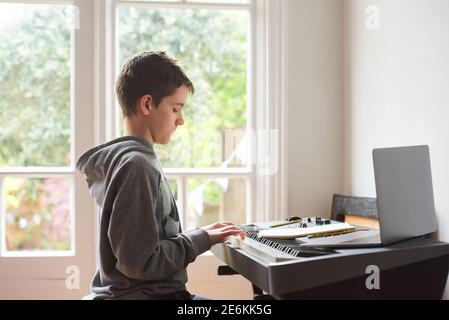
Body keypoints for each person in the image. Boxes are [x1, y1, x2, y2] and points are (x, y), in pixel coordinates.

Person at [76, 51, 245, 300]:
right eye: (176, 108)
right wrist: (201, 239)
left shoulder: (134, 160)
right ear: (147, 104)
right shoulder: (137, 165)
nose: (181, 120)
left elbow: (145, 246)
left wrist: (202, 234)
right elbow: (139, 262)